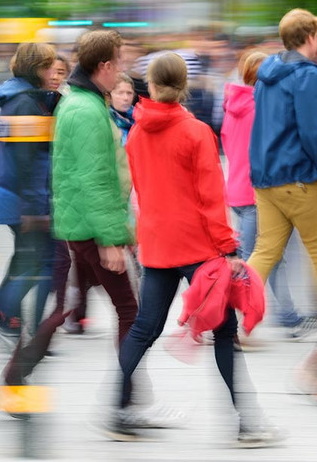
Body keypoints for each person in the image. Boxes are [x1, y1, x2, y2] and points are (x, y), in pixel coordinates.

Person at [105, 52, 280, 446]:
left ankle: (115, 410)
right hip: (198, 247)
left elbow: (139, 189)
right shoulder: (196, 132)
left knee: (144, 329)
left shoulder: (135, 133)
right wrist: (229, 248)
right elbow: (210, 199)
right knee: (223, 331)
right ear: (184, 85)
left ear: (149, 86)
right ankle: (247, 422)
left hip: (156, 244)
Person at [0, 30, 140, 387]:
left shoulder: (82, 101)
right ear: (105, 66)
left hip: (80, 225)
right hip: (90, 228)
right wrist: (110, 239)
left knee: (65, 307)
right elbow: (94, 179)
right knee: (128, 310)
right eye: (120, 62)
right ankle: (123, 404)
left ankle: (15, 373)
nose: (123, 69)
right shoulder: (85, 109)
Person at [245, 8, 317, 401]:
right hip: (302, 178)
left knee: (264, 252)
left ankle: (229, 311)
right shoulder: (306, 75)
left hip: (267, 179)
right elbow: (312, 130)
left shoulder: (266, 72)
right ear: (310, 37)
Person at [220, 51, 312, 336]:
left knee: (263, 258)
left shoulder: (234, 106)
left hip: (237, 192)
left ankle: (285, 316)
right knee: (257, 261)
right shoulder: (262, 111)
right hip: (258, 195)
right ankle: (229, 318)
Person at [0, 42, 58, 339]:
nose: (55, 72)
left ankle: (6, 312)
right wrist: (35, 210)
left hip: (12, 194)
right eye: (49, 66)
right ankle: (3, 311)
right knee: (39, 260)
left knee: (25, 257)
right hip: (22, 199)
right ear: (36, 69)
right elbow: (28, 163)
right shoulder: (25, 103)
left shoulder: (19, 98)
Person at [109, 72, 136, 147]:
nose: (126, 98)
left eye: (129, 93)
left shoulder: (140, 119)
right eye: (120, 93)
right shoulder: (106, 120)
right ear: (110, 95)